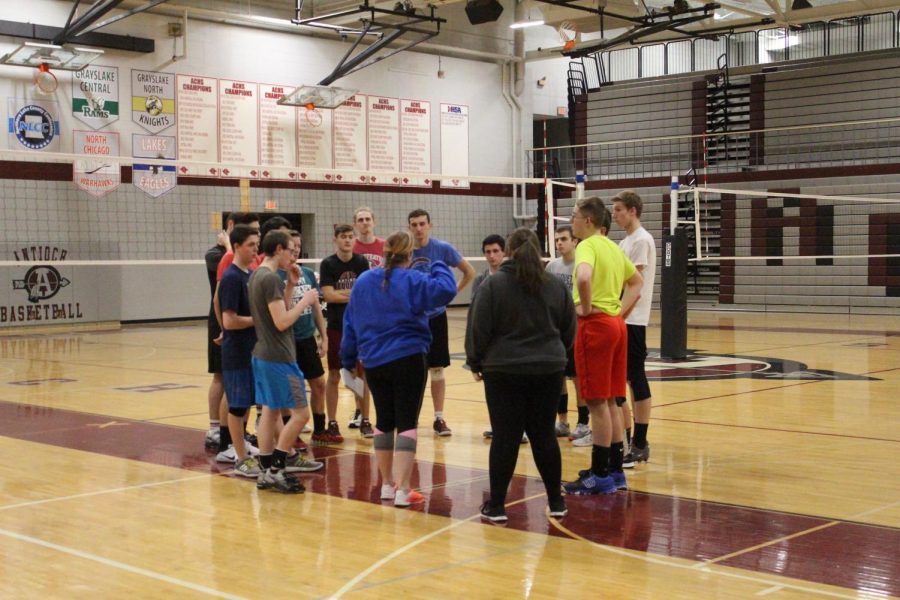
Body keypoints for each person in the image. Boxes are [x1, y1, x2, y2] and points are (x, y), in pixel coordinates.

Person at [465, 228, 575, 522]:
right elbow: (569, 329)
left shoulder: (493, 284)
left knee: (505, 437)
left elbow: (479, 327)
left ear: (509, 251)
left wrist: (475, 361)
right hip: (548, 369)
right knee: (544, 436)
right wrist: (553, 355)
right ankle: (556, 502)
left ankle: (497, 506)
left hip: (504, 370)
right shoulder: (555, 285)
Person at [341, 231, 457, 507]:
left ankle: (386, 486)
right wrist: (439, 261)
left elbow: (350, 322)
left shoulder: (364, 281)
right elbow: (447, 289)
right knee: (406, 423)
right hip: (408, 358)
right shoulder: (414, 279)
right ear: (410, 256)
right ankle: (403, 489)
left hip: (374, 362)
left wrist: (348, 361)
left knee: (384, 421)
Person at [564, 197, 643, 496]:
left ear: (587, 221)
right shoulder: (613, 246)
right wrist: (619, 313)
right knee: (611, 399)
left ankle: (599, 474)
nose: (572, 221)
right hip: (616, 326)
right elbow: (637, 282)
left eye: (574, 216)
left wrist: (585, 308)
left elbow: (583, 276)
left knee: (596, 402)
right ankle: (614, 471)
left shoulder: (586, 246)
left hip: (595, 325)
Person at [249, 230, 324, 493]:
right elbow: (281, 322)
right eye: (291, 250)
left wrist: (291, 287)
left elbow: (277, 314)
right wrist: (306, 298)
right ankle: (278, 468)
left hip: (263, 355)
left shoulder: (259, 274)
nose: (294, 256)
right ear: (279, 248)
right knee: (301, 413)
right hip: (279, 358)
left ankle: (266, 471)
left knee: (269, 412)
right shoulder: (268, 278)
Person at [408, 208, 476, 436]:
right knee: (414, 370)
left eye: (422, 224)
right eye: (414, 224)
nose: (418, 228)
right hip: (413, 319)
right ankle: (411, 420)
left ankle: (438, 418)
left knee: (437, 369)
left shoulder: (442, 248)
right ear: (409, 227)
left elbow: (469, 272)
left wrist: (451, 293)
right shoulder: (405, 251)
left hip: (436, 318)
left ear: (430, 225)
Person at [612, 191, 656, 467]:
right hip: (621, 318)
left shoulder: (641, 240)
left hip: (633, 319)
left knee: (635, 378)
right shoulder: (624, 242)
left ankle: (640, 442)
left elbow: (633, 283)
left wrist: (617, 312)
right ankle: (627, 440)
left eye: (618, 209)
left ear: (632, 210)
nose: (615, 214)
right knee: (621, 381)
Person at [317, 224, 371, 444]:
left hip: (360, 327)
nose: (347, 240)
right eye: (343, 237)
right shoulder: (328, 263)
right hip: (337, 326)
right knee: (334, 374)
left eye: (351, 237)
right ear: (335, 239)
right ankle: (332, 422)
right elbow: (328, 296)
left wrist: (344, 294)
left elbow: (366, 293)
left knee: (361, 374)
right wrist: (353, 293)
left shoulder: (361, 262)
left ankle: (365, 419)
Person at [217, 224, 261, 474]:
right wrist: (259, 318)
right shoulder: (233, 278)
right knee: (236, 406)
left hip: (252, 351)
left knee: (246, 405)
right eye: (251, 245)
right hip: (237, 353)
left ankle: (242, 445)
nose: (256, 249)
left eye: (257, 244)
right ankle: (240, 457)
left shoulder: (249, 274)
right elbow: (229, 321)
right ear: (236, 247)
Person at [284, 231, 327, 450]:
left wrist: (323, 336)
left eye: (299, 247)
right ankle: (292, 434)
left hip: (307, 338)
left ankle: (320, 430)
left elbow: (316, 306)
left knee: (319, 383)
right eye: (292, 248)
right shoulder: (277, 275)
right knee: (291, 389)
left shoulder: (308, 273)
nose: (296, 251)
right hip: (287, 342)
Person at [545, 224, 587, 441]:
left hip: (576, 329)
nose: (559, 243)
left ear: (575, 241)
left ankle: (583, 423)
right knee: (558, 376)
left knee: (577, 377)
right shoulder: (552, 267)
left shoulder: (582, 265)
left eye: (563, 239)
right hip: (556, 330)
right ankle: (562, 422)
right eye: (557, 239)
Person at [347, 206, 384, 430]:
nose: (364, 223)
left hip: (380, 311)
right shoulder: (352, 247)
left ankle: (374, 409)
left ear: (374, 222)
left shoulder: (384, 246)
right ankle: (360, 409)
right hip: (358, 312)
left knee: (375, 364)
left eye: (368, 219)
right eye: (360, 220)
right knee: (355, 367)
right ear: (355, 224)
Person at [471, 234, 505, 299]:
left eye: (495, 251)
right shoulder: (479, 280)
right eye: (488, 252)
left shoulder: (511, 277)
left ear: (504, 252)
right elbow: (474, 305)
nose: (491, 255)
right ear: (484, 254)